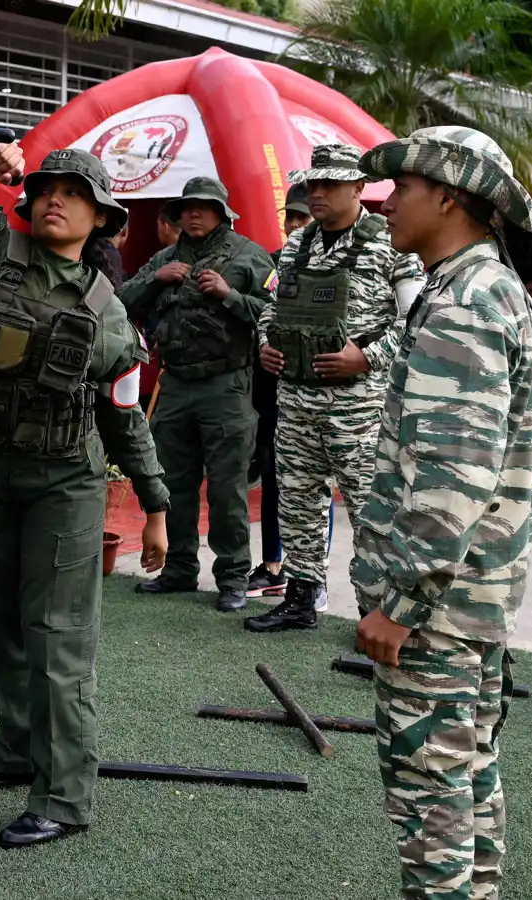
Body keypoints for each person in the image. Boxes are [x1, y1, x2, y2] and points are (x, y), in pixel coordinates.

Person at [0, 144, 168, 848]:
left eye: (74, 193)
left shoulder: (110, 312)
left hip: (64, 482)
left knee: (57, 637)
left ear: (101, 218)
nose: (54, 200)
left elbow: (124, 414)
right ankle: (16, 749)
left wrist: (155, 506)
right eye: (45, 189)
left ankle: (63, 796)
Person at [352, 125, 532, 900]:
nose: (385, 203)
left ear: (448, 198)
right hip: (474, 598)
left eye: (402, 188)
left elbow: (451, 476)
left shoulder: (465, 302)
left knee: (430, 800)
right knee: (467, 778)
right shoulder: (490, 289)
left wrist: (401, 604)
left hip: (438, 607)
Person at [246, 145, 424, 633]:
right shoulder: (296, 246)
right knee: (297, 501)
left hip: (359, 408)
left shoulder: (392, 243)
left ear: (358, 188)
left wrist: (367, 356)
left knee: (371, 510)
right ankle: (301, 598)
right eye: (313, 184)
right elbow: (271, 308)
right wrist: (265, 344)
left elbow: (416, 319)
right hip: (296, 401)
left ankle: (376, 614)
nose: (317, 192)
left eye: (330, 184)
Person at [122, 176, 275, 611]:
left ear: (221, 213)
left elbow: (276, 312)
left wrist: (230, 296)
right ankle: (179, 569)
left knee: (227, 488)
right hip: (174, 384)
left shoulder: (249, 256)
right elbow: (121, 301)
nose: (193, 214)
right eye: (187, 207)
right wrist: (156, 280)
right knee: (173, 481)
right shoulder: (165, 258)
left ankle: (232, 577)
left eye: (203, 207)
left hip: (226, 385)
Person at [247, 180, 316, 601]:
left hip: (320, 392)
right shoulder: (276, 264)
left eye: (301, 217)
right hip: (274, 392)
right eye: (290, 216)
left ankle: (311, 578)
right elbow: (264, 316)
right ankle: (273, 565)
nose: (293, 224)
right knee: (273, 476)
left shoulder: (336, 266)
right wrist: (264, 345)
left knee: (313, 484)